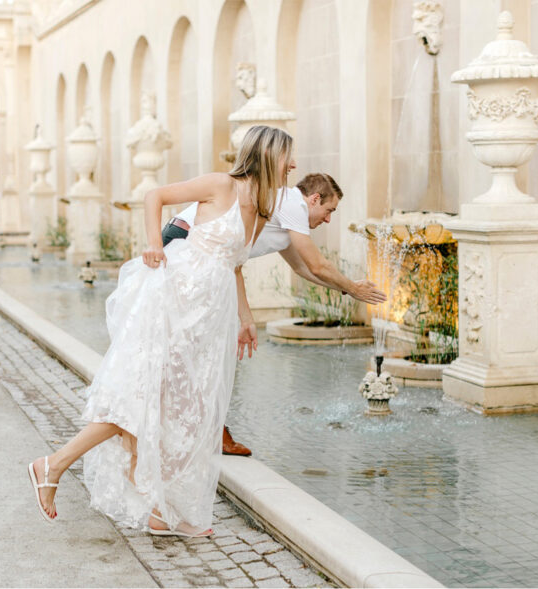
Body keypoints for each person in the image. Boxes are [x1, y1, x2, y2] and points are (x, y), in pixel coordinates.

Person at [26, 125, 293, 537]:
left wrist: (246, 318)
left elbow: (235, 265)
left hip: (209, 316)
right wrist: (154, 243)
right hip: (174, 303)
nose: (292, 164)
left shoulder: (261, 211)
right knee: (141, 396)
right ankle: (55, 464)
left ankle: (162, 511)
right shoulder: (221, 185)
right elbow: (156, 196)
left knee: (187, 409)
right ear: (267, 155)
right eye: (286, 157)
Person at [161, 173, 387, 456]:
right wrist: (353, 288)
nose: (328, 219)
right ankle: (202, 429)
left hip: (199, 254)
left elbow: (302, 268)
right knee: (195, 346)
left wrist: (346, 289)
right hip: (187, 244)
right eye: (329, 211)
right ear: (314, 199)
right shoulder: (293, 204)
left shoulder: (289, 217)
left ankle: (204, 427)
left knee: (200, 347)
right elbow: (317, 265)